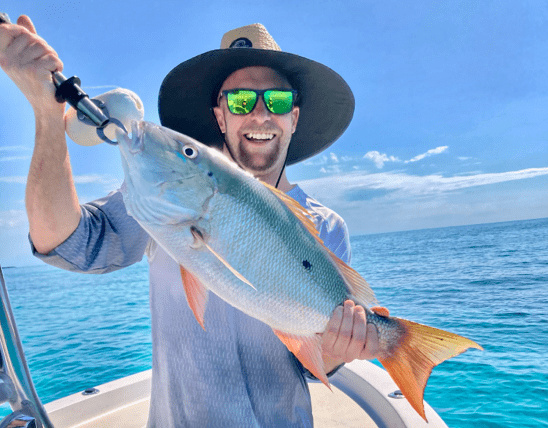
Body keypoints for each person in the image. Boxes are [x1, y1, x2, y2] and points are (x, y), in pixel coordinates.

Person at [0, 17, 379, 427]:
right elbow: (69, 243)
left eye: (278, 101)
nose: (259, 114)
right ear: (220, 117)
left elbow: (312, 363)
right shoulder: (162, 197)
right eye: (239, 101)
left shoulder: (327, 226)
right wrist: (45, 110)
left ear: (294, 117)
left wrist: (342, 347)